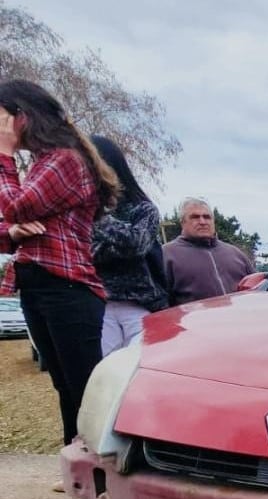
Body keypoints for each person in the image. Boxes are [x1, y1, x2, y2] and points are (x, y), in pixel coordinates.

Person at [0, 80, 119, 459]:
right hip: (39, 286)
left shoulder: (65, 160)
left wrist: (2, 157)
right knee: (65, 386)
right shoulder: (43, 163)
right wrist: (15, 232)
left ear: (21, 116)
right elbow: (9, 228)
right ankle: (80, 460)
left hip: (68, 289)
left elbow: (15, 206)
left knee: (83, 387)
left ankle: (105, 464)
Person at [89, 135, 167, 355]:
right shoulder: (75, 213)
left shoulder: (143, 209)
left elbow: (137, 243)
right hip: (98, 306)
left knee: (144, 370)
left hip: (142, 305)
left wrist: (97, 215)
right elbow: (81, 254)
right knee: (102, 374)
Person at [163, 197, 255, 305]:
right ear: (182, 222)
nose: (202, 222)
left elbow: (257, 290)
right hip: (192, 321)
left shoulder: (236, 254)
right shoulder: (166, 255)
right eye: (195, 217)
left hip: (240, 319)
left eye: (207, 217)